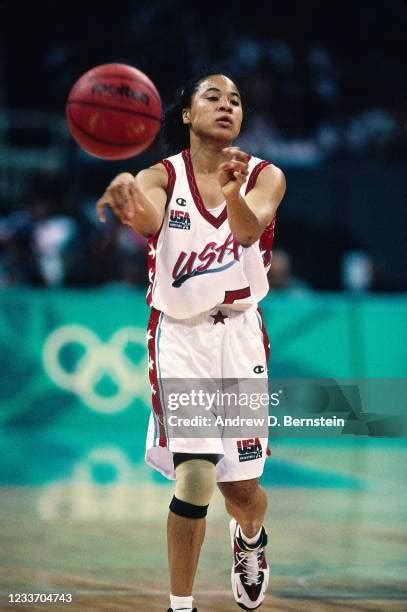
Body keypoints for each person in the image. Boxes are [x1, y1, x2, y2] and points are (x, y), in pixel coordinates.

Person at [96, 73, 286, 611]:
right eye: (213, 97)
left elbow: (248, 232)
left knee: (242, 495)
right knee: (198, 476)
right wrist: (128, 200)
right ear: (185, 115)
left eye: (236, 100)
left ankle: (250, 538)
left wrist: (231, 190)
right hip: (180, 336)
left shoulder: (266, 176)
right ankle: (182, 606)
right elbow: (150, 214)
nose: (227, 105)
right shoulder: (161, 174)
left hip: (241, 336)